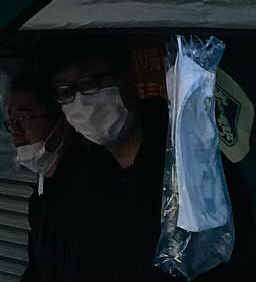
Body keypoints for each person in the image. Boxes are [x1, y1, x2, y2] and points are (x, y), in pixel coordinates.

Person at [47, 37, 256, 281]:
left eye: (89, 83)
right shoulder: (84, 174)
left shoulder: (191, 159)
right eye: (65, 91)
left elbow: (229, 257)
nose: (80, 101)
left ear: (126, 80)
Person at [5, 68, 121, 282]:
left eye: (24, 117)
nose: (15, 131)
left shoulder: (92, 183)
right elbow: (39, 267)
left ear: (62, 120)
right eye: (10, 121)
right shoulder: (42, 191)